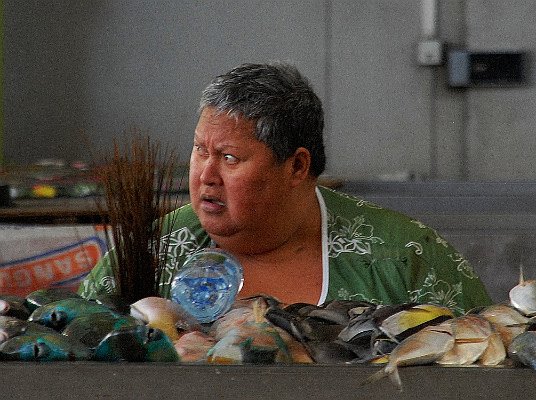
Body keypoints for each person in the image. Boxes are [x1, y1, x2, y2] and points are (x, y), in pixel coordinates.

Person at [78, 62, 492, 315]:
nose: (206, 175)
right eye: (199, 151)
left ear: (296, 166)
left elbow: (483, 357)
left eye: (229, 158)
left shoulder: (405, 260)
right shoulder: (150, 254)